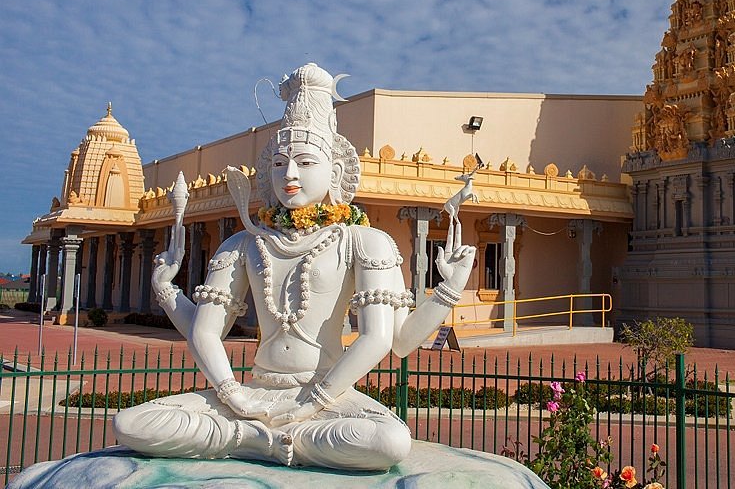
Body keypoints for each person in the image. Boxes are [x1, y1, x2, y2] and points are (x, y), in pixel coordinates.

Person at [113, 63, 476, 470]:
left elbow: (393, 340)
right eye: (279, 163)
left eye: (304, 162)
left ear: (334, 171)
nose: (289, 175)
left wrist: (449, 289)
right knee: (132, 424)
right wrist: (168, 293)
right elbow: (205, 331)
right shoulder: (244, 243)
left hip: (327, 395)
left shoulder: (362, 241)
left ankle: (250, 440)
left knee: (389, 441)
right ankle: (266, 440)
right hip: (254, 393)